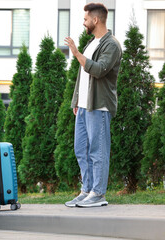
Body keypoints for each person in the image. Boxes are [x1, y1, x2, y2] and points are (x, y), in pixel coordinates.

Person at [64, 2, 122, 207]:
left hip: (99, 106)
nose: (84, 23)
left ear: (95, 20)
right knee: (81, 150)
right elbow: (82, 76)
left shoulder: (111, 44)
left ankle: (98, 194)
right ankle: (87, 190)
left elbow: (99, 70)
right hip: (83, 106)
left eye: (86, 19)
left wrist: (77, 53)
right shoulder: (92, 43)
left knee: (97, 151)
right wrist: (76, 101)